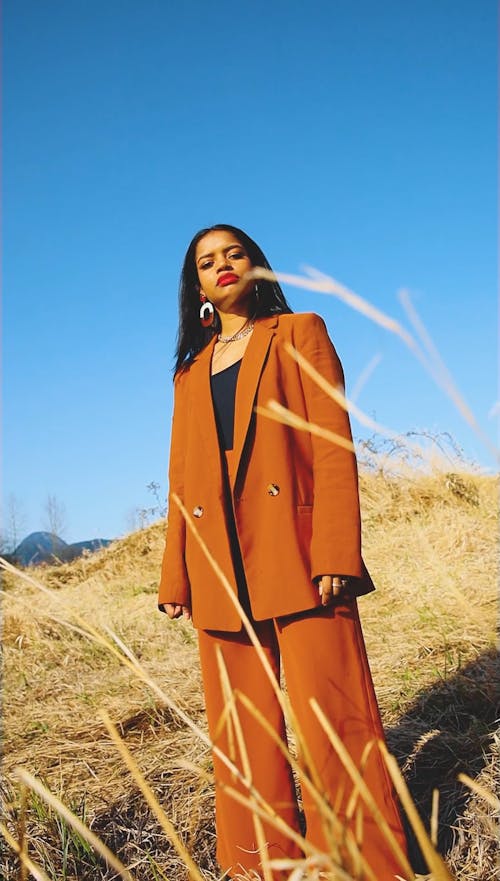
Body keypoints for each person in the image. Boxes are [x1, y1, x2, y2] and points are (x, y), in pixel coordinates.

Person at [158, 224, 410, 881]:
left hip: (299, 554)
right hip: (220, 563)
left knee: (336, 722)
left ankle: (364, 866)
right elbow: (182, 479)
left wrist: (336, 549)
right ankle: (260, 867)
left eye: (233, 254)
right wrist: (177, 571)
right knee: (244, 739)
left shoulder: (301, 332)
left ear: (257, 266)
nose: (221, 267)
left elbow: (332, 443)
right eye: (206, 262)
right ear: (197, 286)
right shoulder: (189, 372)